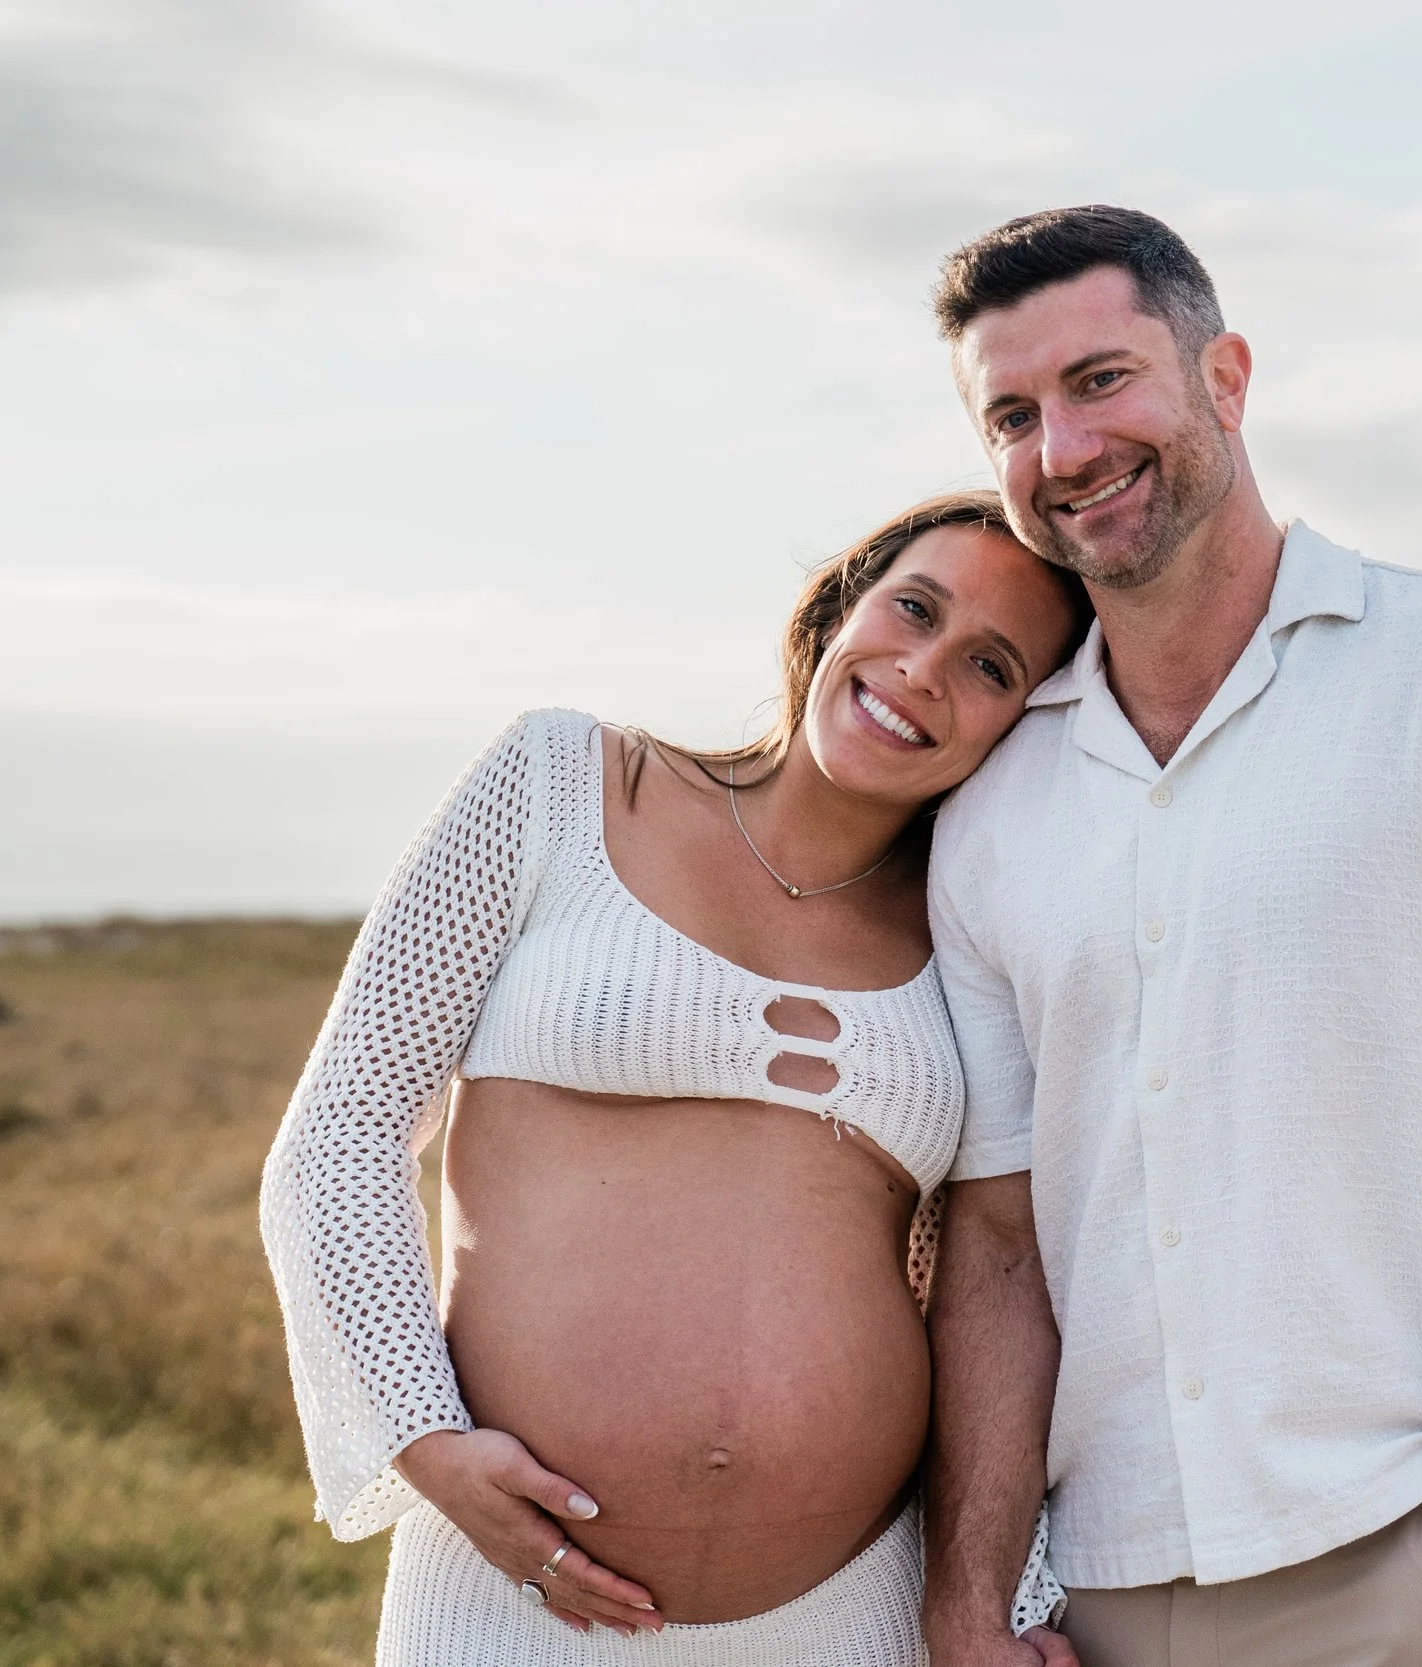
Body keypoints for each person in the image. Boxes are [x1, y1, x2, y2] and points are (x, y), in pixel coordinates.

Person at [920, 207, 1422, 1667]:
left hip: (1392, 1557)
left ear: (1226, 376)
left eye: (1103, 379)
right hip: (1097, 1581)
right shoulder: (991, 799)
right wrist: (969, 1600)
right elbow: (1003, 1239)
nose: (1066, 448)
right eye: (1012, 415)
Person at [260, 491, 1091, 1666]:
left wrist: (1002, 1593)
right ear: (844, 602)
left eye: (991, 665)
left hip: (856, 1612)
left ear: (1027, 721)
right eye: (913, 607)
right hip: (514, 1597)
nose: (920, 669)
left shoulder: (972, 927)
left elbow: (995, 1271)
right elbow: (342, 1127)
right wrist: (423, 1436)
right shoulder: (563, 784)